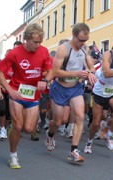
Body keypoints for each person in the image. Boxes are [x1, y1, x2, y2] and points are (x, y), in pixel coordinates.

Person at [0, 23, 52, 169]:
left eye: (40, 42)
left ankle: (12, 130)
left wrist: (45, 80)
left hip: (33, 95)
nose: (38, 45)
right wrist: (9, 89)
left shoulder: (44, 51)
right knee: (19, 126)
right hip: (17, 93)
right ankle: (13, 156)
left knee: (28, 129)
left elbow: (51, 70)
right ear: (26, 39)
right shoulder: (14, 53)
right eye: (35, 42)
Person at [45, 23, 96, 163]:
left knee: (80, 116)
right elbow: (55, 71)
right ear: (74, 35)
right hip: (60, 88)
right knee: (59, 121)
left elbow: (91, 66)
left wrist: (91, 73)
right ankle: (50, 134)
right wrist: (77, 72)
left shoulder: (85, 49)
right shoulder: (63, 49)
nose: (82, 43)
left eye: (85, 40)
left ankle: (73, 150)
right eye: (80, 40)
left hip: (75, 88)